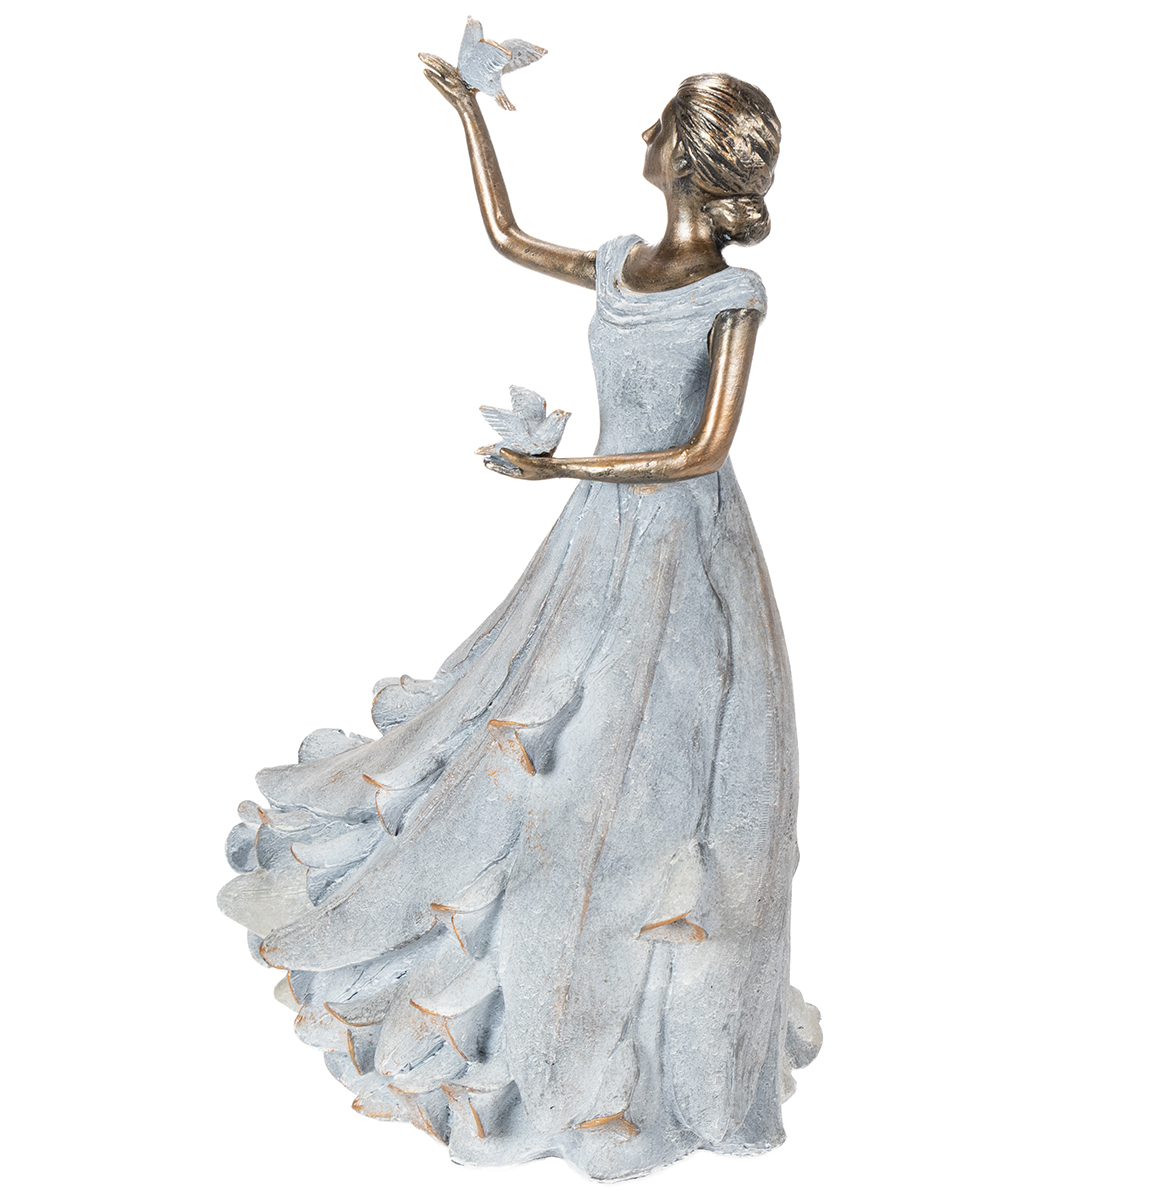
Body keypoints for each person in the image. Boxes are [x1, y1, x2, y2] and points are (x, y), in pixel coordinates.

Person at [219, 57, 820, 1181]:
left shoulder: (733, 296)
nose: (642, 135)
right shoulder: (622, 263)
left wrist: (563, 469)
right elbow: (505, 236)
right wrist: (468, 114)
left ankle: (635, 1026)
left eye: (660, 125)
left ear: (689, 158)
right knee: (535, 720)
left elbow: (704, 450)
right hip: (597, 536)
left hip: (685, 546)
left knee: (656, 755)